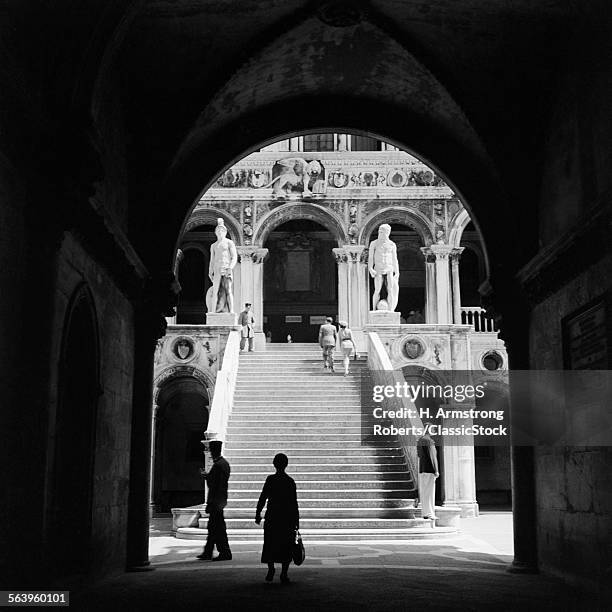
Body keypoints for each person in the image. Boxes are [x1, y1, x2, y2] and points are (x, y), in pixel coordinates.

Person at [255, 453, 300, 583]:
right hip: (286, 517)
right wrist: (296, 521)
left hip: (272, 516)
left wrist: (258, 513)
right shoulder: (290, 481)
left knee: (270, 543)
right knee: (286, 544)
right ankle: (284, 573)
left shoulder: (270, 479)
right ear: (286, 465)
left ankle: (271, 569)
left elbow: (263, 497)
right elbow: (294, 503)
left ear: (274, 464)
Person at [196, 440, 232, 561]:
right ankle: (208, 551)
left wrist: (206, 477)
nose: (210, 453)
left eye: (211, 450)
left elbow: (215, 485)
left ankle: (225, 552)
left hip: (217, 501)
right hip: (219, 500)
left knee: (218, 528)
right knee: (213, 527)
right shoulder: (224, 463)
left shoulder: (218, 465)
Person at [368, 223, 400, 311]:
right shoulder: (374, 243)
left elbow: (394, 259)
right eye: (379, 232)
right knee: (377, 290)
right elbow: (371, 257)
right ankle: (374, 309)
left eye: (382, 232)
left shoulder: (392, 244)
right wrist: (370, 268)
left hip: (389, 268)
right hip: (378, 268)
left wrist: (397, 272)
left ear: (388, 233)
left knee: (390, 290)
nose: (380, 234)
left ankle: (391, 310)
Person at [209, 218, 237, 313]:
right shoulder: (213, 245)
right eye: (218, 230)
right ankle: (213, 311)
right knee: (215, 290)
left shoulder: (229, 242)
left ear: (225, 232)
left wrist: (230, 268)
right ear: (216, 232)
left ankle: (232, 311)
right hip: (217, 268)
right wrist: (210, 271)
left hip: (226, 268)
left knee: (228, 290)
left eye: (222, 230)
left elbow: (234, 257)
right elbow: (212, 260)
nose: (220, 232)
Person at [417, 423, 439, 521]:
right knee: (430, 493)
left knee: (424, 492)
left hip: (422, 469)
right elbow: (432, 457)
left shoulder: (420, 440)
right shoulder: (429, 441)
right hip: (430, 470)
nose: (434, 430)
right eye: (433, 429)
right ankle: (430, 513)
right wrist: (436, 470)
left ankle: (425, 513)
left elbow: (418, 455)